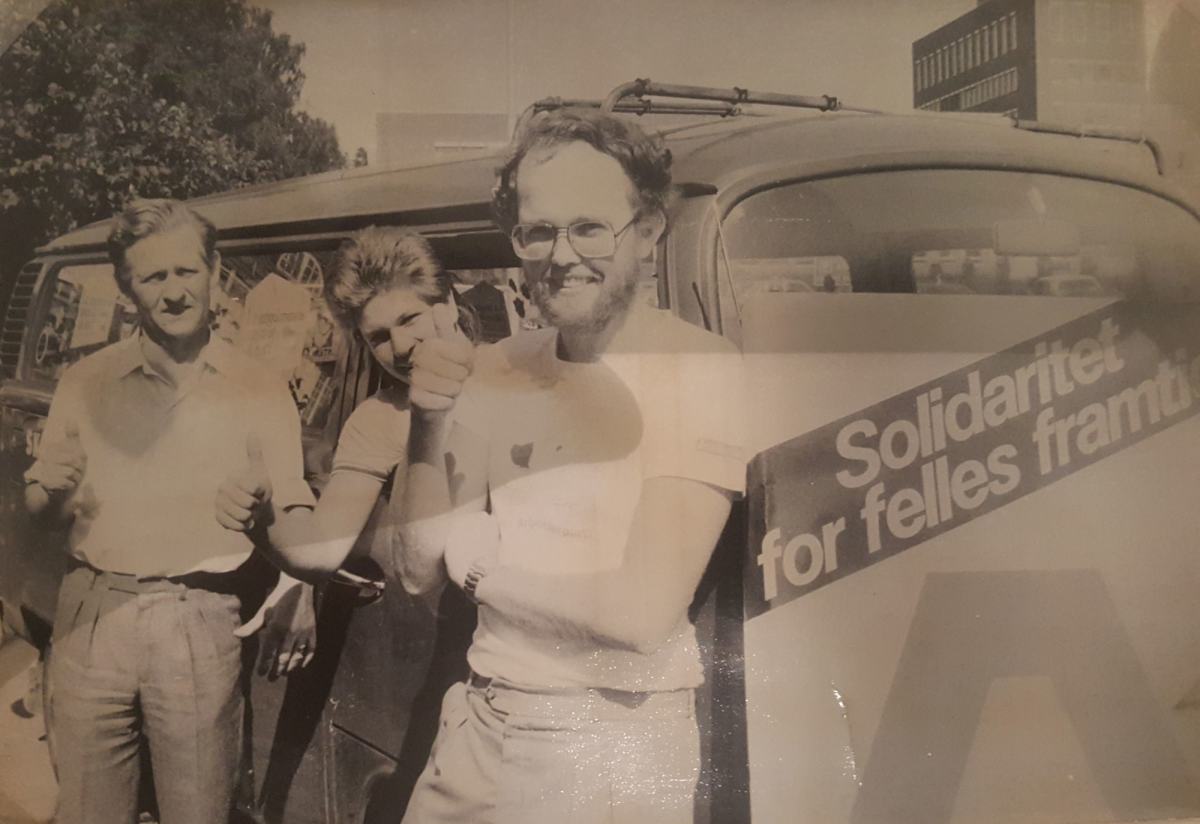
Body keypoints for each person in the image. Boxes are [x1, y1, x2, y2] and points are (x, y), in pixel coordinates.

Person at [396, 108, 747, 823]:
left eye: (590, 227)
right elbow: (413, 567)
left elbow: (641, 612)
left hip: (604, 745)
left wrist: (482, 571)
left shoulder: (699, 371)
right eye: (537, 230)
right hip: (476, 723)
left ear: (648, 232)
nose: (561, 255)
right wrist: (427, 428)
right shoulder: (500, 367)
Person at [24, 199, 318, 824]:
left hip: (198, 618)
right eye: (153, 278)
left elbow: (296, 509)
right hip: (92, 614)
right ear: (128, 291)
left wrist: (294, 574)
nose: (174, 292)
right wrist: (51, 490)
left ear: (213, 271)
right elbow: (39, 515)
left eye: (186, 272)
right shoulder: (85, 381)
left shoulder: (259, 386)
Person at [214, 225, 469, 586]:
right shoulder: (379, 418)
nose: (399, 347)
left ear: (448, 306)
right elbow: (321, 550)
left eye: (410, 319)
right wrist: (263, 518)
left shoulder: (513, 375)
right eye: (378, 337)